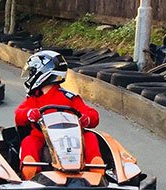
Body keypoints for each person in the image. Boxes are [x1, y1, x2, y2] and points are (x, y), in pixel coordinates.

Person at [14, 50, 104, 180]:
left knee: (90, 137)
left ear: (43, 73)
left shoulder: (70, 97)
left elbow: (92, 114)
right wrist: (29, 114)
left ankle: (97, 170)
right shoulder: (34, 99)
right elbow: (19, 115)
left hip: (71, 139)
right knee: (29, 141)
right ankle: (30, 172)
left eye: (32, 72)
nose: (30, 76)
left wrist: (87, 119)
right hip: (43, 138)